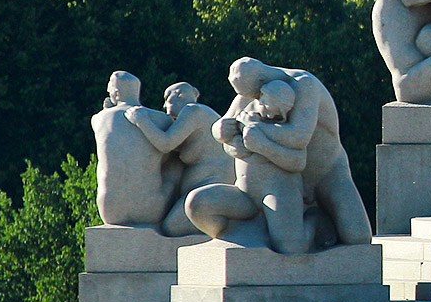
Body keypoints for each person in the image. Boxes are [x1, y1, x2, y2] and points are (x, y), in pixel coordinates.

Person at [185, 58, 372, 252]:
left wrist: (255, 132)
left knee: (356, 236)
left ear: (262, 80)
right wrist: (223, 132)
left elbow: (299, 137)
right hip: (274, 181)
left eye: (256, 96)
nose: (255, 102)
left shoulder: (304, 85)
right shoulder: (252, 92)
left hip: (325, 173)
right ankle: (258, 233)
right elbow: (223, 132)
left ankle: (314, 221)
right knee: (199, 205)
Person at [125, 81, 235, 237]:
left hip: (213, 186)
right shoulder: (197, 115)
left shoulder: (193, 111)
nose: (164, 106)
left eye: (167, 99)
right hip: (200, 189)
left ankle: (229, 232)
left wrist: (141, 120)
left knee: (174, 227)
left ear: (179, 95)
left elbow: (166, 143)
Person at [91, 71, 175, 228]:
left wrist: (106, 111)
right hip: (151, 210)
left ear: (116, 93)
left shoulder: (98, 119)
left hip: (110, 210)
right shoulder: (162, 119)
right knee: (174, 165)